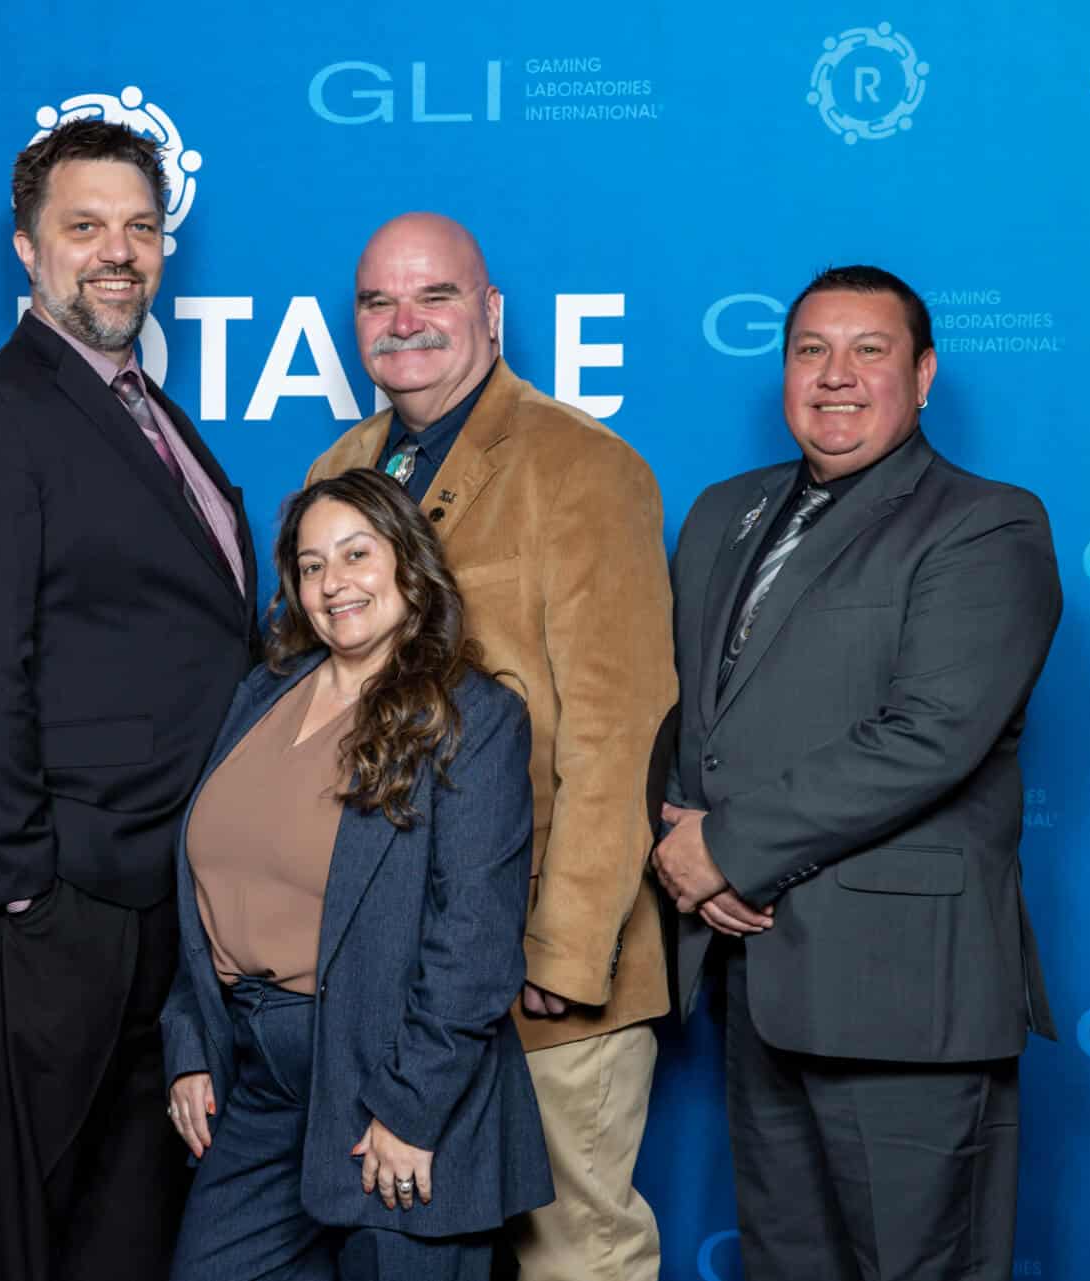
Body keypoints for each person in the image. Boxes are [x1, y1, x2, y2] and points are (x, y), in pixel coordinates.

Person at [655, 265, 1062, 1281]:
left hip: (904, 993)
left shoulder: (986, 524)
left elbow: (931, 734)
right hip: (758, 979)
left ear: (922, 377)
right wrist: (671, 822)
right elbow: (686, 707)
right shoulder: (723, 514)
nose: (836, 376)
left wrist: (728, 849)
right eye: (810, 351)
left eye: (868, 351)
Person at [0, 117, 260, 1281]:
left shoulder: (147, 413)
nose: (117, 251)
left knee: (129, 1218)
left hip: (168, 900)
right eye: (84, 227)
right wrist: (24, 887)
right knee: (18, 1221)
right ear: (26, 248)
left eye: (140, 227)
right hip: (64, 905)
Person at [305, 213, 673, 1279]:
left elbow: (620, 730)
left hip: (544, 977)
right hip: (398, 982)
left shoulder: (584, 466)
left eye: (436, 297)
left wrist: (566, 948)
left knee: (577, 1259)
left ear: (493, 313)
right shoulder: (343, 466)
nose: (405, 323)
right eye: (379, 302)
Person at [161, 468, 551, 1281]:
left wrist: (411, 1109)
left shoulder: (473, 719)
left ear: (409, 564)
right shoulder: (262, 692)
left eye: (356, 553)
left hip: (395, 1082)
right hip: (259, 1081)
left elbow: (474, 943)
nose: (333, 583)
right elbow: (211, 883)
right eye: (310, 565)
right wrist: (190, 1040)